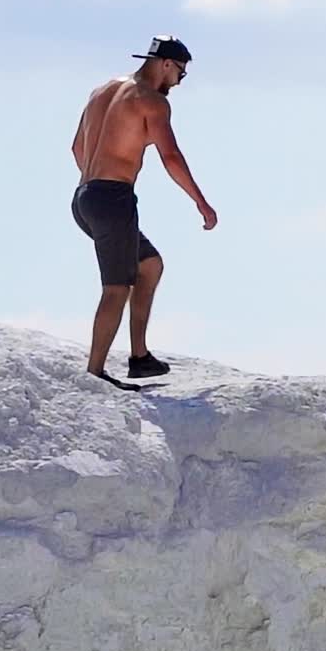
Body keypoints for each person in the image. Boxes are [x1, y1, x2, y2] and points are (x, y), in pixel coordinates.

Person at [70, 35, 217, 390]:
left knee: (148, 265)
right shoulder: (151, 102)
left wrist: (99, 176)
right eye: (181, 73)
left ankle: (140, 359)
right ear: (166, 64)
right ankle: (96, 375)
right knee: (117, 286)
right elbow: (171, 157)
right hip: (113, 198)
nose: (180, 81)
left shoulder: (102, 90)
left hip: (84, 196)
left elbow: (76, 147)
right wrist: (201, 201)